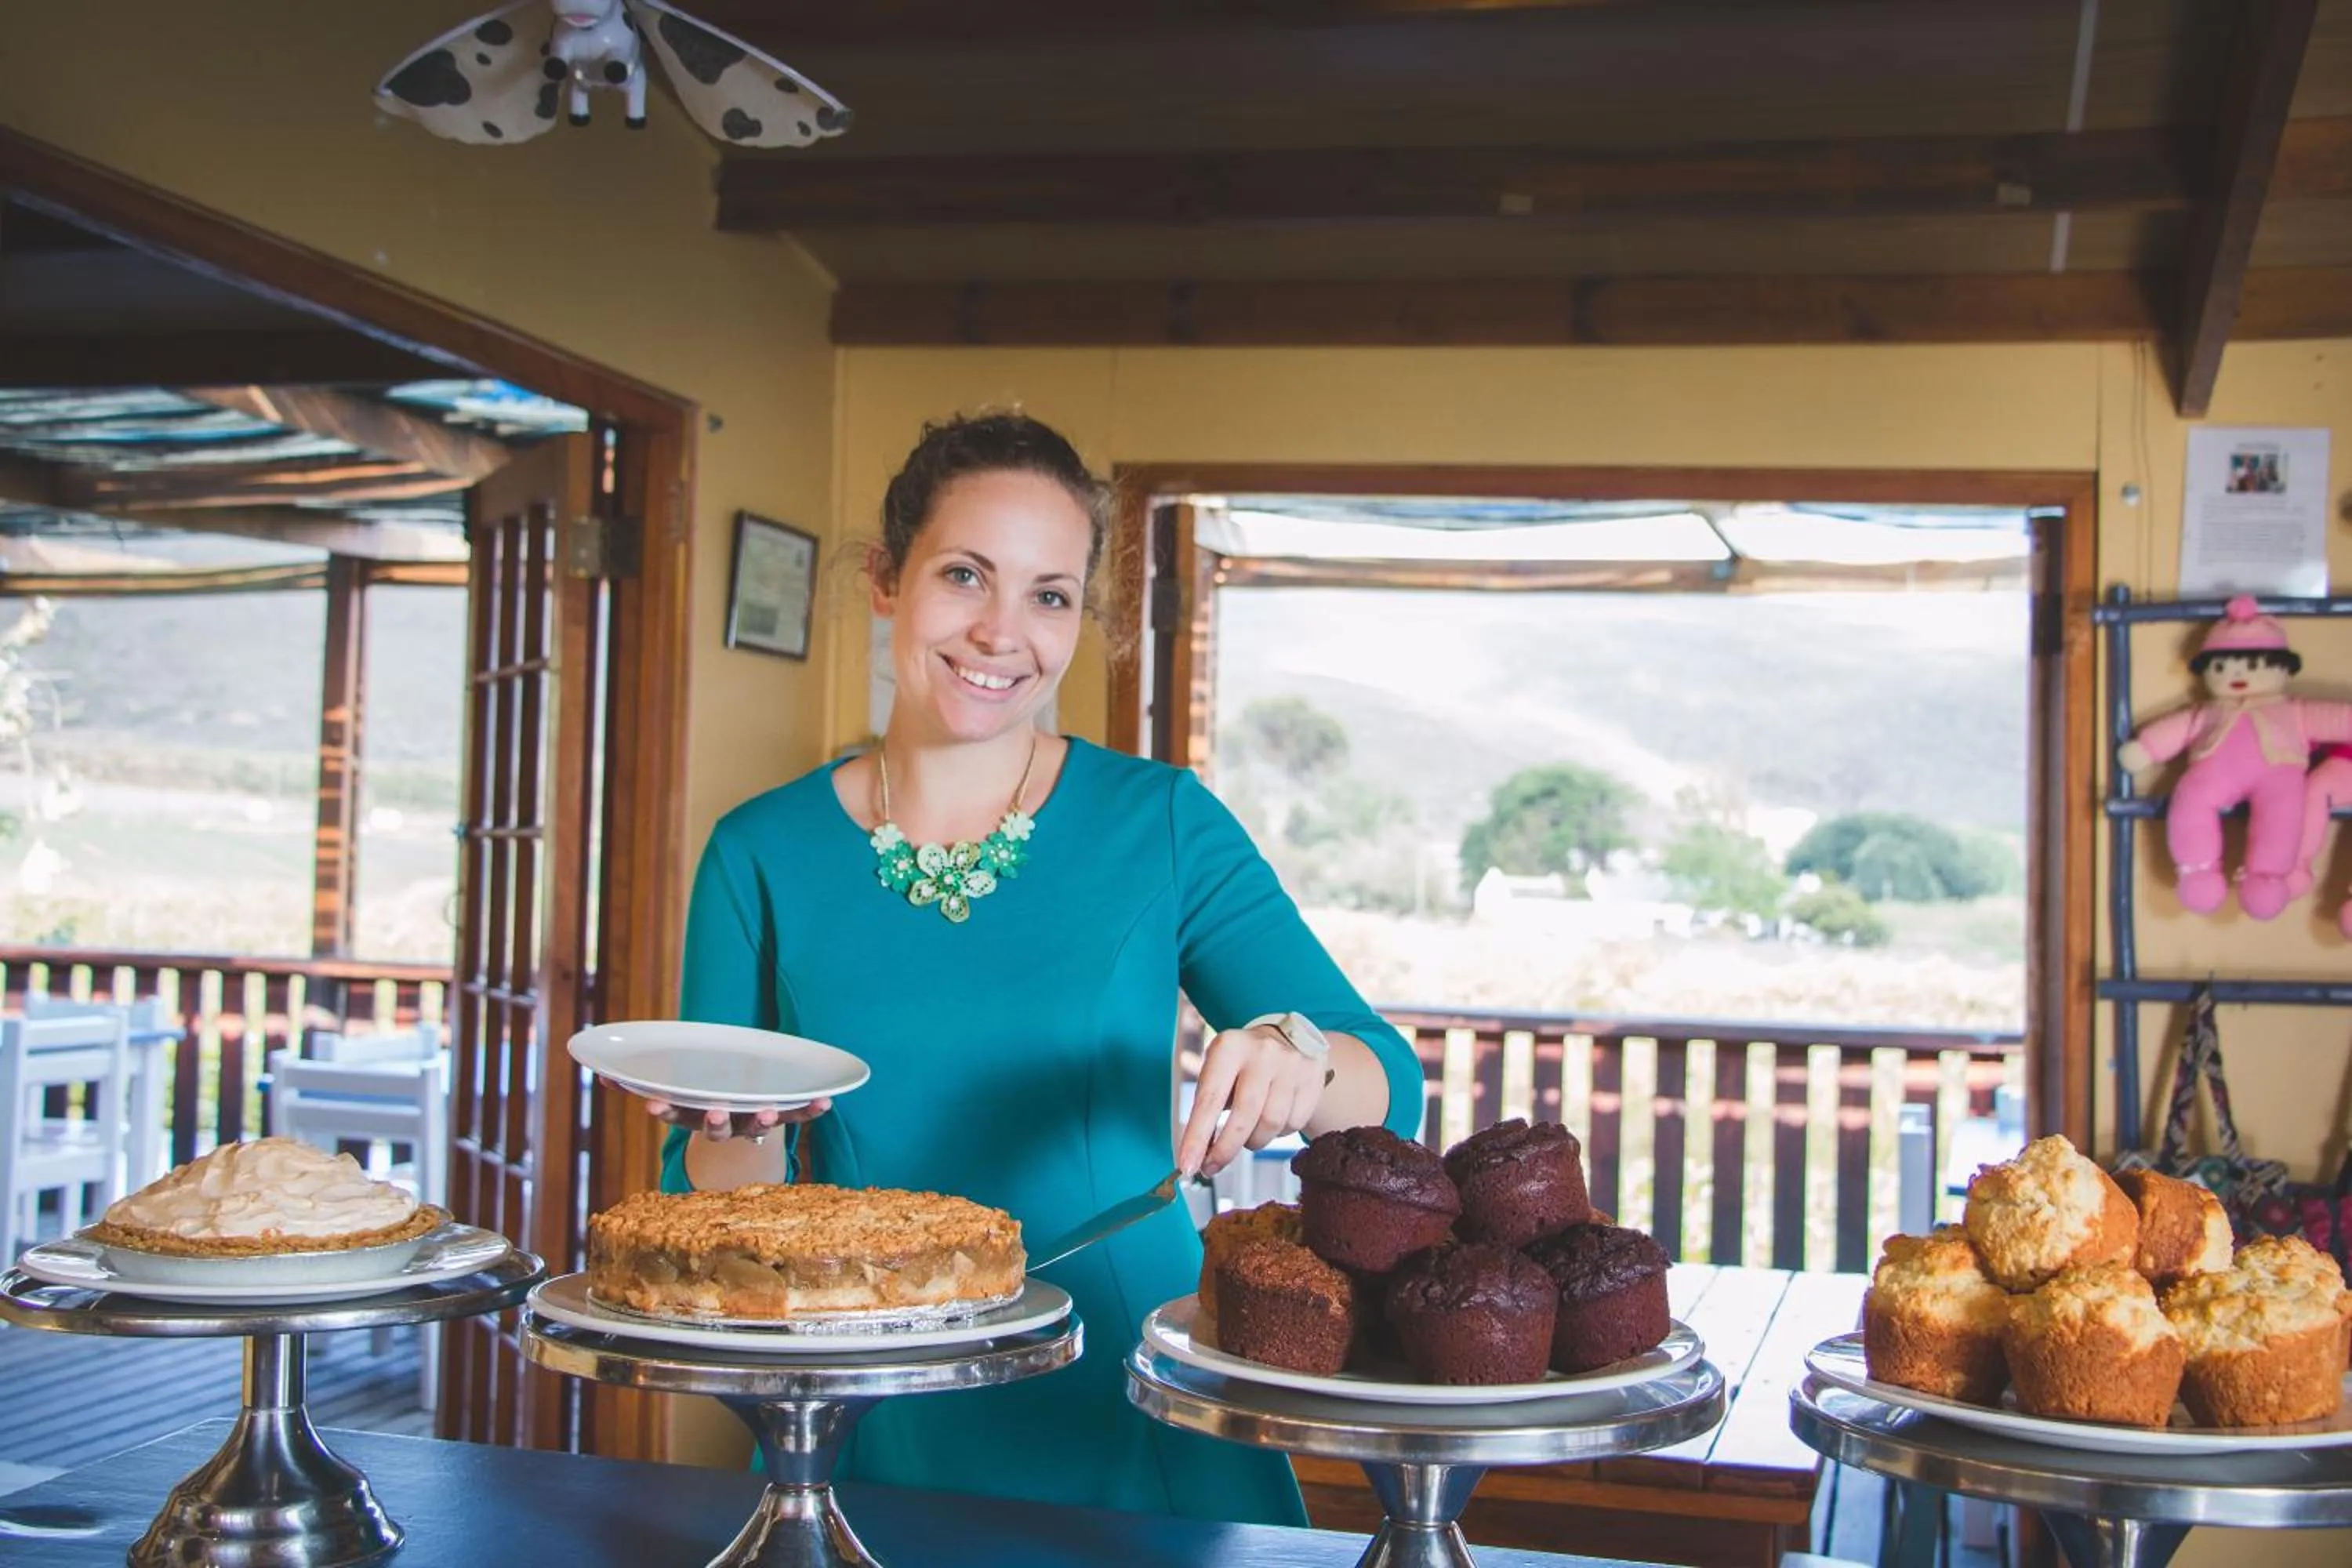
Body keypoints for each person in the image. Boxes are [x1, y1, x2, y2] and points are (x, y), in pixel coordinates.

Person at [646, 412, 1423, 1526]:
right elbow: (702, 1199)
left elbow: (1388, 1075)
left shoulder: (1160, 823)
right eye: (965, 575)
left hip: (1137, 1404)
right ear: (885, 578)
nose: (1001, 633)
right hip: (877, 1403)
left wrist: (1297, 1055)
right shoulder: (757, 854)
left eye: (1049, 595)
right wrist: (743, 1135)